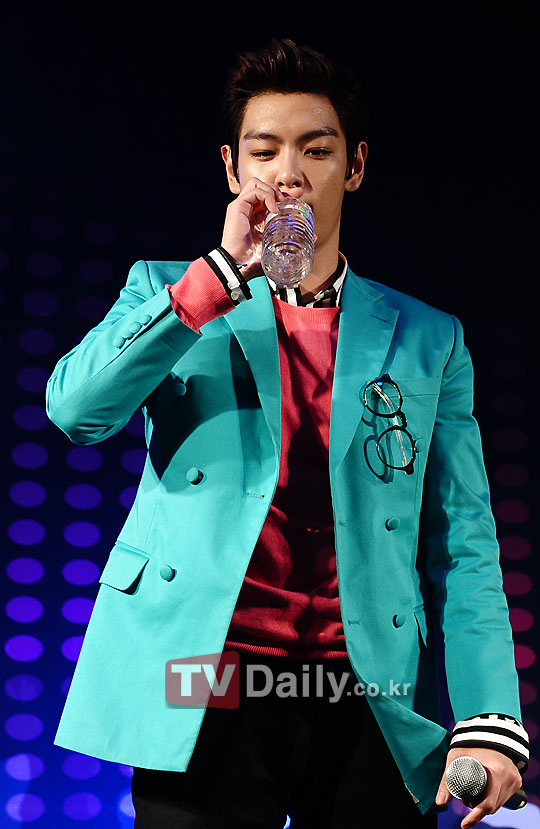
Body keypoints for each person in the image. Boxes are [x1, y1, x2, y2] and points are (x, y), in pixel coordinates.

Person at [46, 39, 529, 828]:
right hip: (206, 675)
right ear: (232, 169)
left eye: (317, 149)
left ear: (356, 165)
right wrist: (213, 281)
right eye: (265, 151)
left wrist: (489, 715)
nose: (289, 172)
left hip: (364, 686)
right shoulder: (169, 291)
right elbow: (76, 411)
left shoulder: (427, 337)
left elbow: (463, 540)